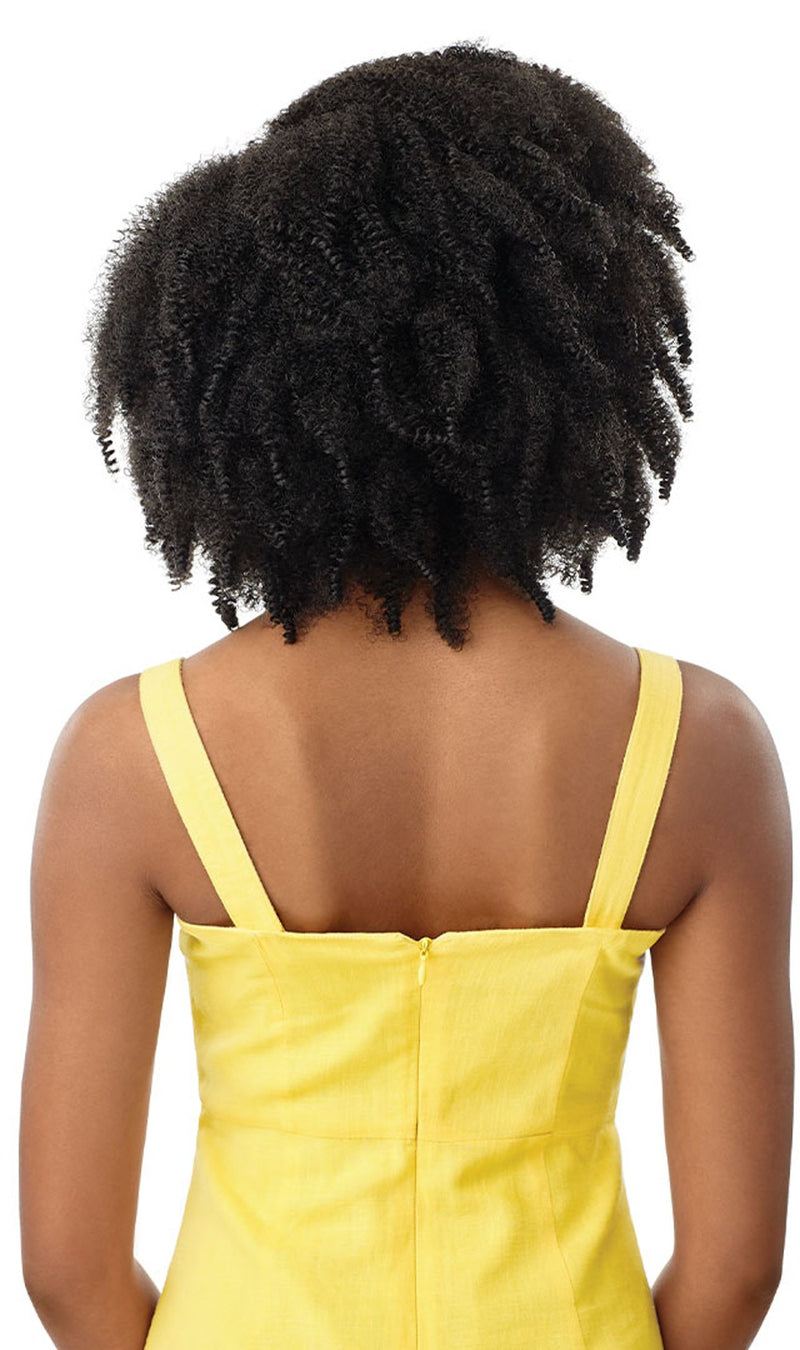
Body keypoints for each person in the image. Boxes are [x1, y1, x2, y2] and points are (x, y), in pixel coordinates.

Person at [20, 39, 792, 1350]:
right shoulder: (700, 748)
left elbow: (65, 1270)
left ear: (238, 371)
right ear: (578, 349)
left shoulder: (131, 752)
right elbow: (733, 1270)